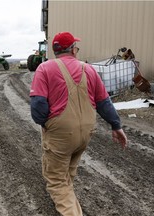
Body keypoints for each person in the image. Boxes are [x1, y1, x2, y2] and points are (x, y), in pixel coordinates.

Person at [30, 31, 127, 216]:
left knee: (56, 179)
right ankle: (66, 195)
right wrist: (116, 126)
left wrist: (46, 123)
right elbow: (104, 103)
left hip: (61, 133)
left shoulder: (45, 68)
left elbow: (38, 107)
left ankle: (67, 205)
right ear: (73, 50)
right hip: (86, 133)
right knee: (70, 167)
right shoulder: (89, 69)